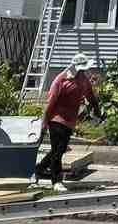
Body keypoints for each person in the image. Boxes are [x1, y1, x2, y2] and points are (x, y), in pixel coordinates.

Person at [37, 53, 101, 192]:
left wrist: (97, 109)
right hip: (56, 119)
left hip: (70, 120)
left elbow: (90, 95)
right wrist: (44, 121)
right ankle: (56, 181)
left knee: (59, 149)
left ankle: (40, 169)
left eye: (85, 69)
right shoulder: (61, 80)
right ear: (74, 67)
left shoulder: (84, 80)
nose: (83, 72)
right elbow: (50, 103)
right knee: (58, 150)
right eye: (81, 69)